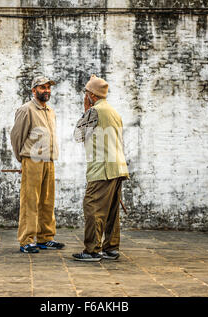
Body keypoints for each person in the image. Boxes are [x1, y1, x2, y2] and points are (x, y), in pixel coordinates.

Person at [72, 75, 129, 262]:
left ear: (92, 95)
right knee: (112, 211)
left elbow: (78, 135)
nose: (85, 97)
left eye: (86, 94)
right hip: (118, 167)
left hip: (102, 169)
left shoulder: (94, 111)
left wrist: (85, 110)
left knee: (92, 208)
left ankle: (92, 250)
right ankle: (111, 248)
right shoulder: (113, 112)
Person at [10, 76, 65, 253]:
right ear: (34, 90)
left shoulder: (50, 111)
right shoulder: (26, 110)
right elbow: (16, 136)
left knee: (47, 201)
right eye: (42, 87)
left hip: (49, 160)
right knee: (30, 201)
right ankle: (26, 240)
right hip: (32, 160)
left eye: (48, 87)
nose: (46, 90)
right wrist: (22, 159)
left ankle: (45, 237)